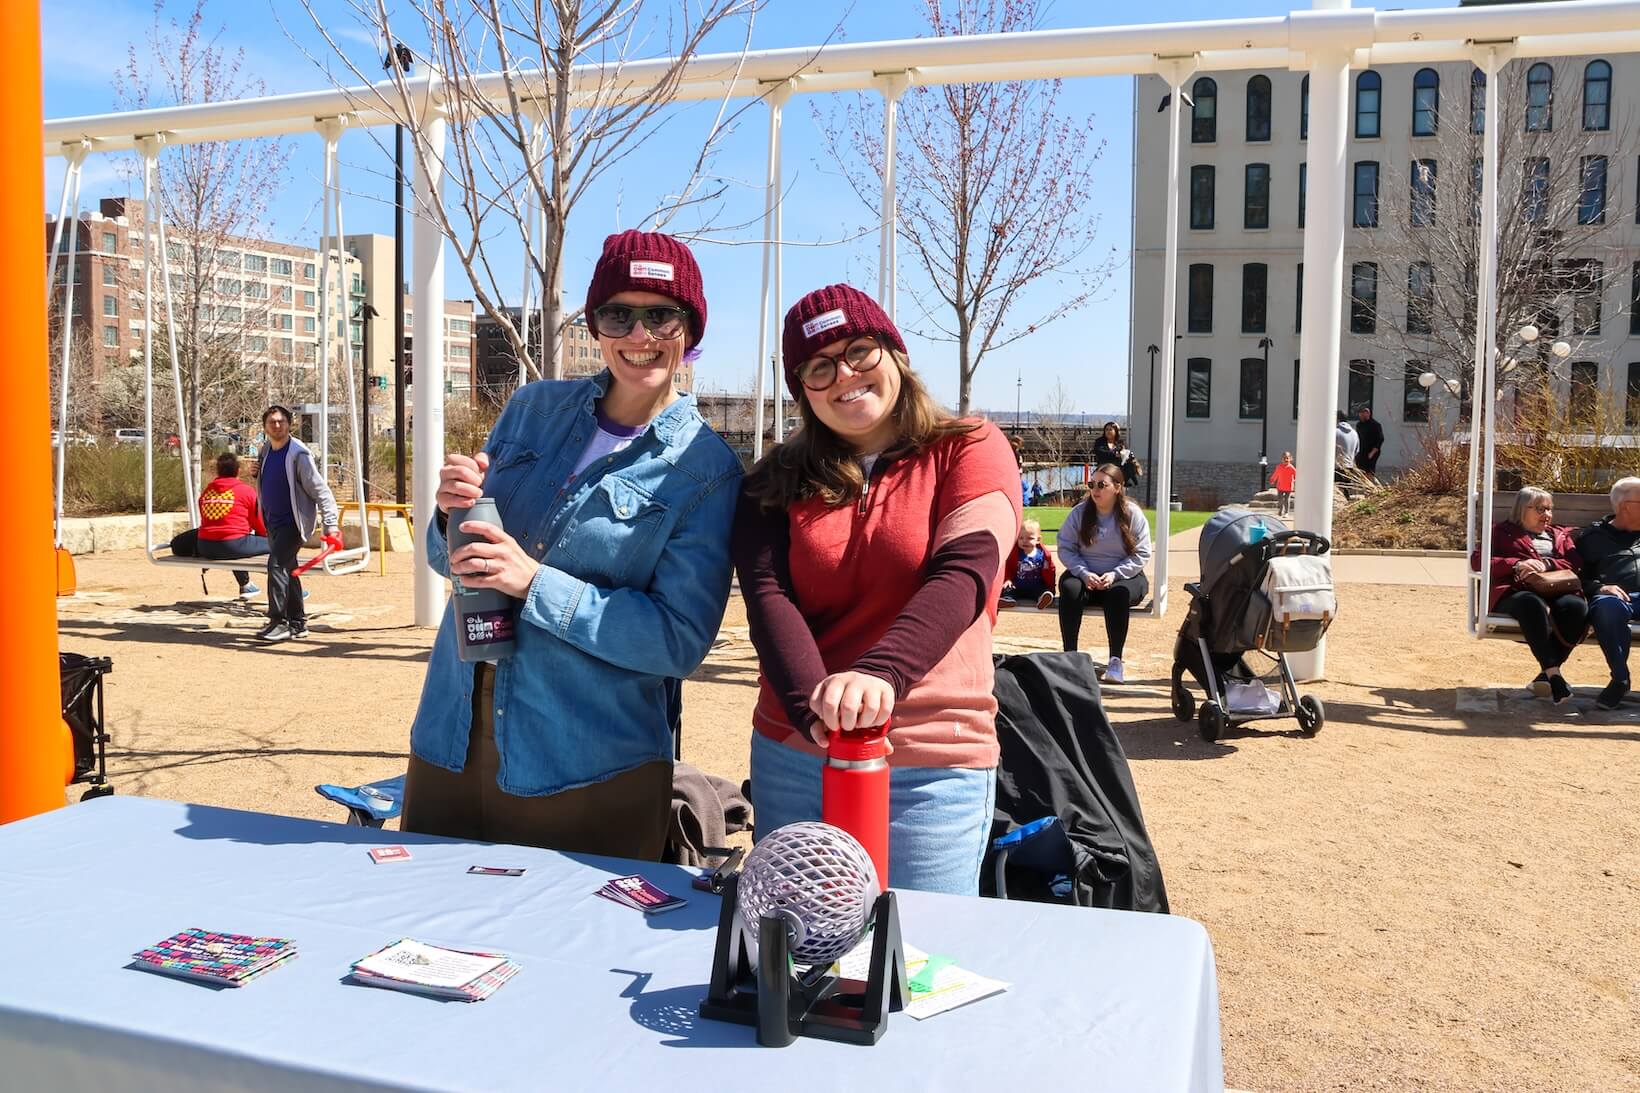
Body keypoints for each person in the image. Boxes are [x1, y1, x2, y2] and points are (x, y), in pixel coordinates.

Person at [401, 230, 742, 858]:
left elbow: (677, 642)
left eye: (661, 315)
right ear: (596, 325)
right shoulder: (532, 409)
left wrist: (533, 582)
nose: (640, 336)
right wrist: (452, 516)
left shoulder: (706, 470)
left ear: (690, 328)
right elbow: (447, 562)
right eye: (619, 314)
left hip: (588, 765)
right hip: (450, 739)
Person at [732, 283, 1020, 895]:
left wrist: (879, 677)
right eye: (819, 366)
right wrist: (817, 711)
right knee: (800, 953)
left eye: (860, 350)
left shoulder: (969, 446)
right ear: (802, 390)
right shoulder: (772, 481)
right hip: (795, 751)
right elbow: (768, 598)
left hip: (930, 757)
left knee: (917, 958)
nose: (845, 375)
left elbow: (969, 568)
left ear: (897, 355)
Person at [1473, 487, 1587, 705]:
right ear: (1521, 510)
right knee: (1531, 604)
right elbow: (1478, 561)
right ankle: (1555, 675)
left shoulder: (1560, 535)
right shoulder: (1500, 532)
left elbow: (1576, 563)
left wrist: (1547, 563)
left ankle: (1548, 676)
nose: (1547, 515)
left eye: (1549, 509)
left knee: (1576, 608)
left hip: (1558, 588)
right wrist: (1516, 564)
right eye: (1540, 509)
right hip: (1516, 590)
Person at [1056, 464, 1153, 684]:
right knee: (1070, 588)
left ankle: (1115, 662)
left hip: (1124, 577)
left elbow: (1142, 554)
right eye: (1092, 484)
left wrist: (1115, 574)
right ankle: (1070, 658)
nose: (1095, 489)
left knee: (1117, 595)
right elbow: (1065, 547)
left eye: (1102, 484)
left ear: (1117, 487)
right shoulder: (1080, 513)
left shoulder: (1132, 514)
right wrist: (1083, 573)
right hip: (1085, 576)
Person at [254, 406, 339, 642]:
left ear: (289, 424)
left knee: (276, 566)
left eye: (281, 421)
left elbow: (321, 490)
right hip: (273, 522)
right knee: (289, 570)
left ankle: (278, 622)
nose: (276, 425)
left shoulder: (298, 454)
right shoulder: (266, 450)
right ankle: (298, 623)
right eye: (271, 422)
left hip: (294, 523)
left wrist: (331, 524)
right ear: (265, 427)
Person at [1578, 476, 1640, 710]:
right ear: (1625, 506)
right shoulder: (1593, 538)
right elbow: (1576, 575)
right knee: (1606, 605)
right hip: (1616, 598)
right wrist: (1599, 588)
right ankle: (1620, 678)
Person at [196, 451, 267, 599]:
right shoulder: (246, 491)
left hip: (205, 546)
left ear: (217, 471)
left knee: (235, 539)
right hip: (233, 545)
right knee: (280, 546)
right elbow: (259, 524)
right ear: (238, 471)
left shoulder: (207, 491)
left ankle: (246, 585)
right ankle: (290, 589)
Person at [1002, 519, 1056, 609]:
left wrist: (1051, 588)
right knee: (1009, 589)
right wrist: (1008, 579)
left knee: (1042, 591)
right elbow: (1007, 567)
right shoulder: (1014, 554)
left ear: (1038, 539)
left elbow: (1050, 570)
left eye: (1029, 538)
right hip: (1018, 586)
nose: (1024, 541)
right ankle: (1008, 600)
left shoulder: (1043, 555)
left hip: (1036, 586)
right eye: (1021, 538)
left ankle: (1043, 600)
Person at [1093, 421, 1143, 488]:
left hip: (1118, 468)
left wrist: (1126, 455)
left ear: (1116, 431)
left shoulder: (1120, 443)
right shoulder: (1100, 441)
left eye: (1110, 429)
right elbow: (1099, 452)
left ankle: (1130, 481)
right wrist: (1115, 454)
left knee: (1129, 463)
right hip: (1104, 467)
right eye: (1106, 429)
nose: (1108, 431)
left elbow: (1125, 453)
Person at [1354, 405, 1385, 476]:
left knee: (1369, 471)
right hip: (1361, 452)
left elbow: (1380, 439)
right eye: (1360, 413)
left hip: (1371, 453)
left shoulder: (1375, 425)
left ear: (1368, 413)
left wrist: (1372, 453)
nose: (1361, 415)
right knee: (1360, 471)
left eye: (1363, 413)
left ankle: (1369, 486)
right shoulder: (1359, 425)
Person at [1270, 451, 1297, 519]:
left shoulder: (1291, 467)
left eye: (1287, 458)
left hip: (1288, 486)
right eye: (1284, 458)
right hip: (1280, 486)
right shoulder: (1279, 467)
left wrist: (1296, 480)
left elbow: (1296, 474)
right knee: (1280, 499)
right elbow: (1276, 474)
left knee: (1286, 499)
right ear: (1281, 459)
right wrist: (1273, 479)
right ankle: (1281, 509)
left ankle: (1286, 512)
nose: (1286, 460)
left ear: (1290, 459)